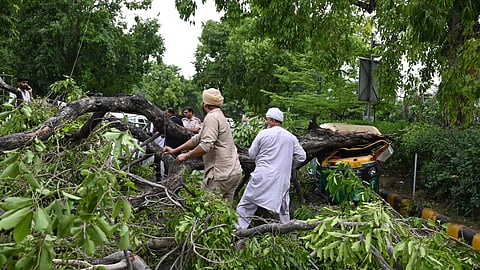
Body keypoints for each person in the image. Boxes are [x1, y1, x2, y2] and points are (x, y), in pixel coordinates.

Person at [164, 88, 243, 203]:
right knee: (224, 213)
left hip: (221, 174)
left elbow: (206, 145)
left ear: (205, 104)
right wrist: (175, 150)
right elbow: (197, 139)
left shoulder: (211, 118)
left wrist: (186, 156)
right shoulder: (220, 116)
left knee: (206, 207)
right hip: (234, 172)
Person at [236, 107, 306, 229]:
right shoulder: (290, 137)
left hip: (262, 177)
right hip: (282, 180)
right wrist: (288, 165)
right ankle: (286, 233)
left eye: (267, 119)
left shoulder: (263, 134)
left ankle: (238, 232)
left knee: (245, 207)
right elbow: (302, 156)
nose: (265, 122)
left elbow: (252, 154)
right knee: (283, 210)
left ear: (272, 120)